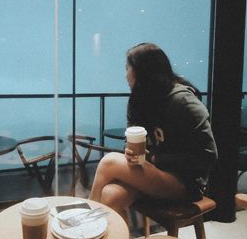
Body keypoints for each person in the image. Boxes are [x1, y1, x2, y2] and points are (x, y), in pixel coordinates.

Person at [89, 43, 218, 222]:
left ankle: (84, 225)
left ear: (143, 71)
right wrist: (131, 152)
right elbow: (135, 139)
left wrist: (158, 159)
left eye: (127, 68)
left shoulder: (183, 101)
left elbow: (208, 155)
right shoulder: (139, 100)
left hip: (184, 183)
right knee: (111, 195)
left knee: (109, 162)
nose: (125, 74)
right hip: (153, 173)